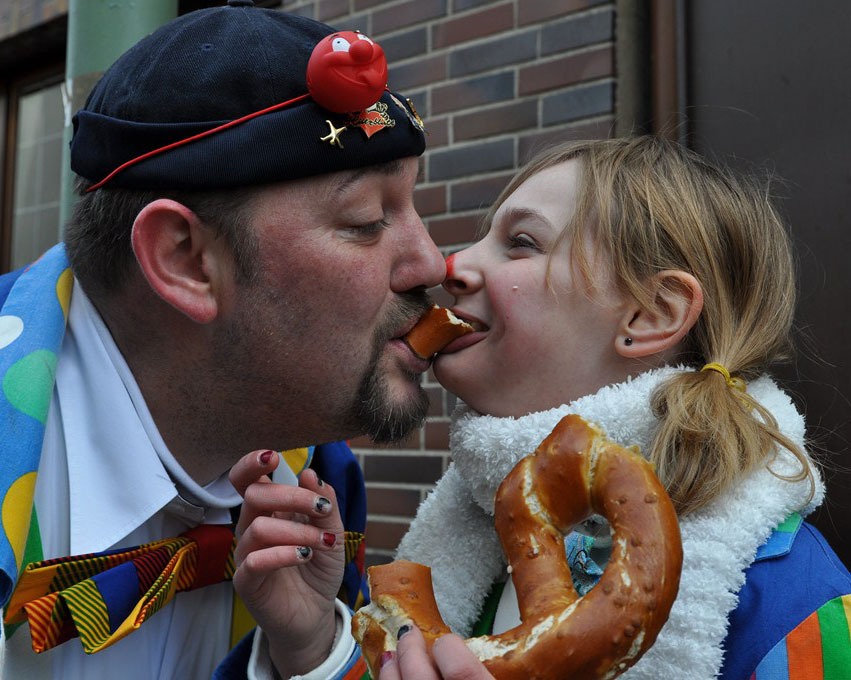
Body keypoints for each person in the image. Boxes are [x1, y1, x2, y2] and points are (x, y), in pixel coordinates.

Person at [239, 136, 851, 680]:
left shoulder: (800, 609)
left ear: (651, 315)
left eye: (521, 243)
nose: (451, 266)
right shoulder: (480, 529)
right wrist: (313, 643)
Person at [0, 2, 444, 679]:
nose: (433, 264)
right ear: (185, 260)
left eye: (412, 207)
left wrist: (309, 658)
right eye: (363, 221)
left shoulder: (323, 478)